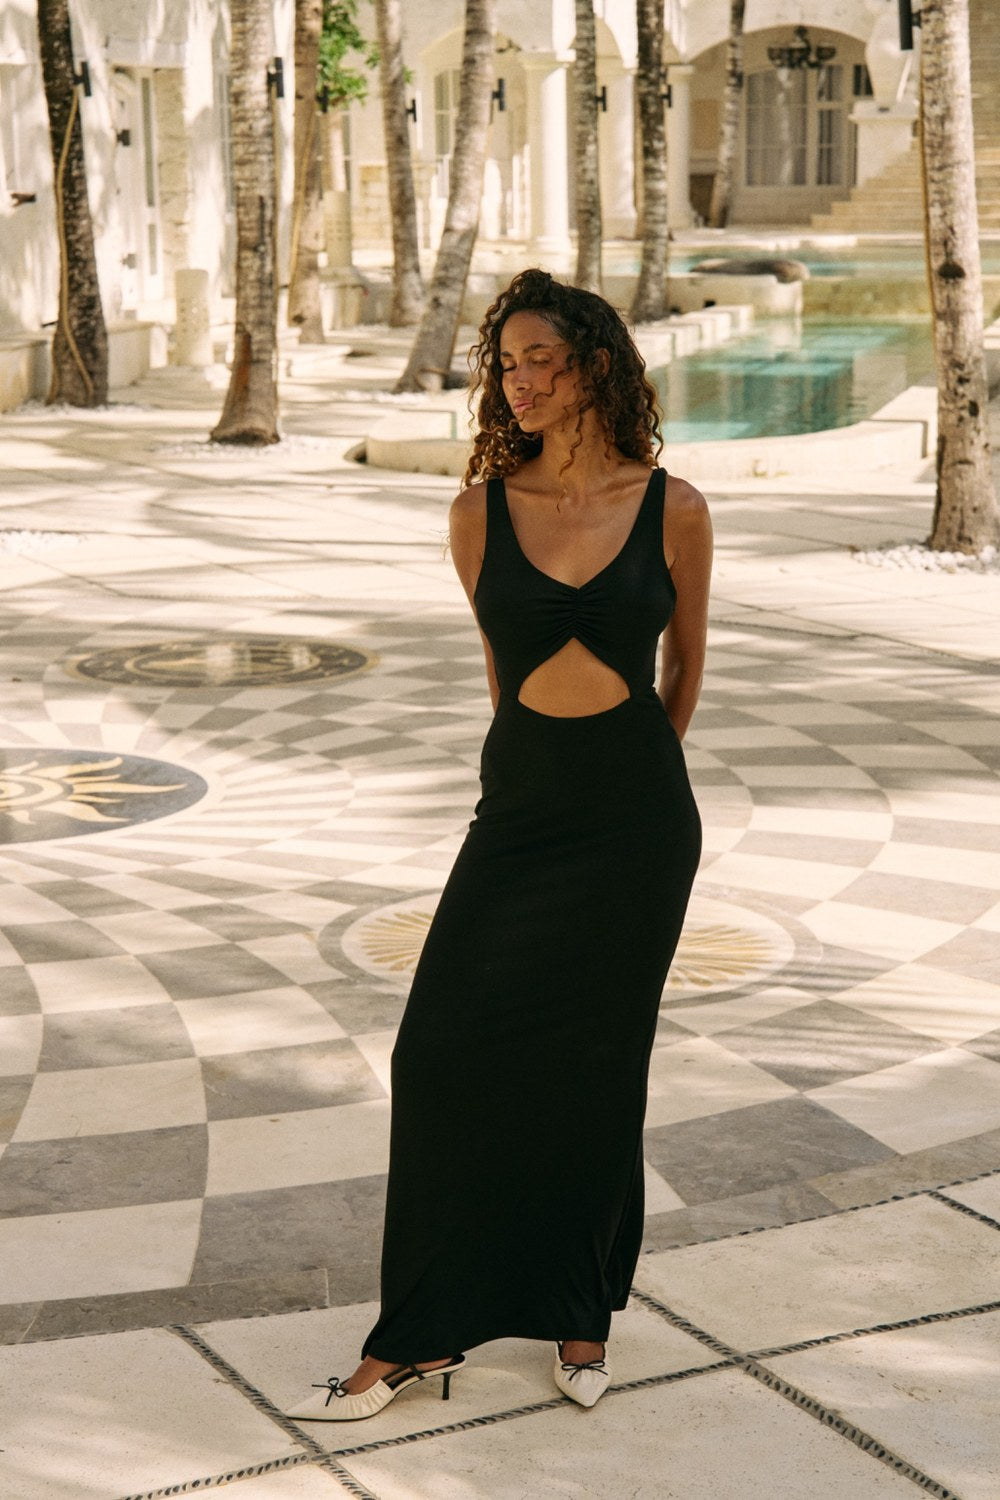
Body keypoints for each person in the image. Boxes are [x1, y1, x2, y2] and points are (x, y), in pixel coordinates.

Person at [288, 268, 711, 1422]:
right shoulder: (479, 509)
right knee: (440, 1056)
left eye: (540, 360)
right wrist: (542, 780)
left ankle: (581, 1315)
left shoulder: (672, 505)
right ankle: (419, 1335)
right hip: (519, 816)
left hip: (636, 826)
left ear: (596, 365)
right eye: (505, 364)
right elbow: (500, 681)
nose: (518, 382)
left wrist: (629, 779)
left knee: (594, 1068)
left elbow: (683, 673)